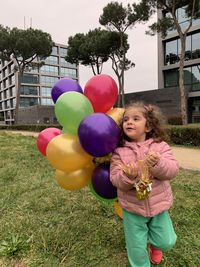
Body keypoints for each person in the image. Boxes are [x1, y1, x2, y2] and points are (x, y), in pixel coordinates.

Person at [110, 101, 179, 267]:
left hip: (158, 206)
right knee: (136, 247)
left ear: (148, 127)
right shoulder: (119, 152)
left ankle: (156, 245)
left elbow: (173, 170)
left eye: (135, 118)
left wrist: (158, 163)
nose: (129, 122)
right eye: (126, 119)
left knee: (167, 241)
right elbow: (115, 179)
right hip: (132, 209)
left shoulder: (160, 147)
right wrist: (128, 176)